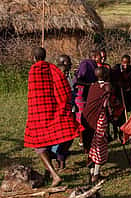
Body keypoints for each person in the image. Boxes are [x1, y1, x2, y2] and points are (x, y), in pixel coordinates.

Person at [24, 47, 79, 186]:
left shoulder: (33, 71)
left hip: (38, 113)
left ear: (34, 58)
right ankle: (48, 172)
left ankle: (55, 175)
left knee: (39, 146)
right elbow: (64, 89)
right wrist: (63, 105)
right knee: (47, 141)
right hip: (52, 110)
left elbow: (33, 94)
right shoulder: (53, 69)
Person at [82, 67, 113, 183]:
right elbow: (108, 104)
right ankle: (96, 174)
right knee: (100, 144)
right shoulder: (106, 87)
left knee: (91, 145)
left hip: (87, 118)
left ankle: (92, 172)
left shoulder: (93, 86)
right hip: (99, 118)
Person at [73, 50, 100, 147]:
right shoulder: (86, 64)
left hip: (88, 95)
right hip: (81, 95)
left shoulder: (94, 65)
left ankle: (88, 139)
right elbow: (79, 80)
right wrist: (91, 85)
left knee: (88, 117)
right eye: (99, 56)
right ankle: (82, 140)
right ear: (95, 56)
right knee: (82, 118)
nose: (101, 58)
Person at [110, 55, 131, 140]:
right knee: (117, 113)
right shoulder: (116, 69)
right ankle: (115, 131)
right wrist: (118, 84)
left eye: (128, 63)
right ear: (121, 62)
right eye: (124, 63)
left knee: (124, 112)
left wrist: (128, 86)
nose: (126, 65)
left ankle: (123, 131)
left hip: (125, 93)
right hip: (116, 94)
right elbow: (112, 80)